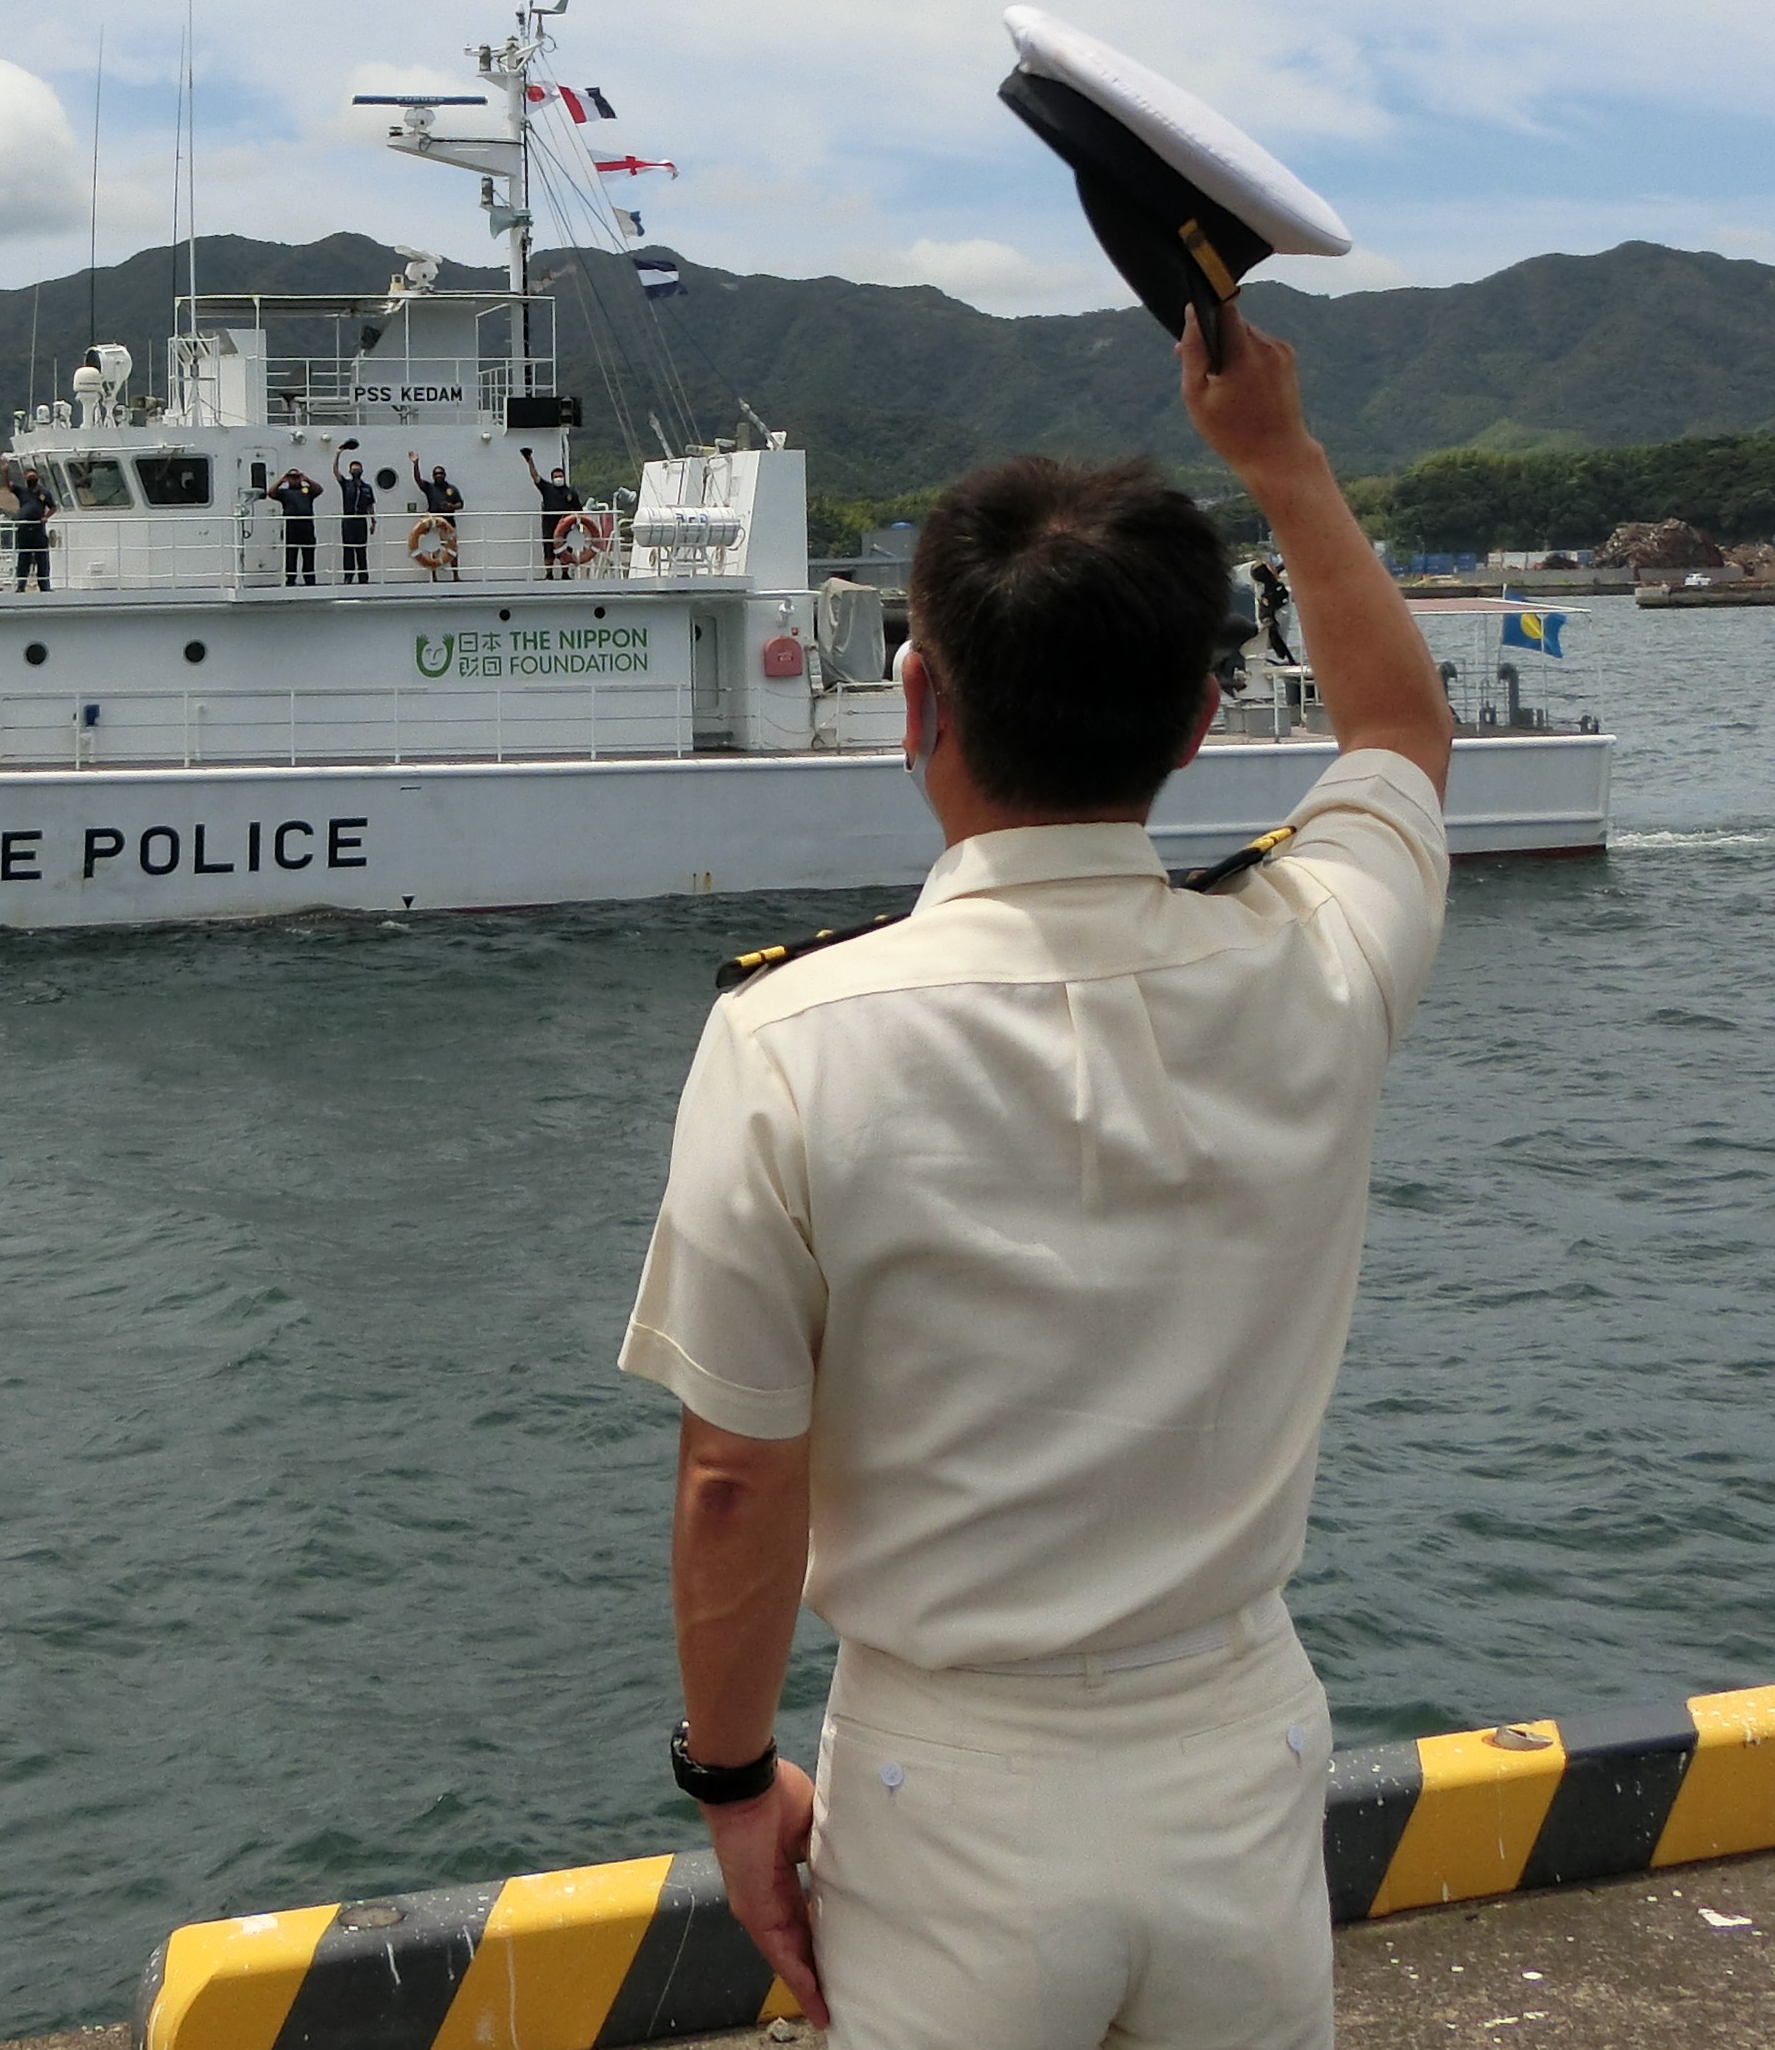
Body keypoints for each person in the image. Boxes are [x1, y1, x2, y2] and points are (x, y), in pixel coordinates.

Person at [620, 303, 1455, 2046]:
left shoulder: (791, 1037)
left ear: (915, 690)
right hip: (1239, 1742)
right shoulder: (1314, 960)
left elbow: (732, 1477)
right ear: (1205, 713)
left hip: (954, 1782)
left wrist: (729, 1774)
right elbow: (1395, 732)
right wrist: (1281, 457)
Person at [522, 442, 579, 577]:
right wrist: (530, 461)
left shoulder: (570, 492)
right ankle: (549, 573)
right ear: (552, 478)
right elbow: (535, 477)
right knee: (548, 549)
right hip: (549, 524)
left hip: (565, 524)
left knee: (565, 548)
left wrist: (577, 523)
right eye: (555, 477)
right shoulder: (547, 488)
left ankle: (565, 573)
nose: (558, 478)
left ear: (563, 477)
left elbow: (578, 509)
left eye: (560, 476)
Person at [267, 465, 324, 587]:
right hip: (291, 526)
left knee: (308, 555)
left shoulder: (307, 491)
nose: (294, 479)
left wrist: (306, 479)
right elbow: (270, 493)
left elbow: (319, 490)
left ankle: (309, 580)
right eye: (292, 477)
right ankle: (290, 580)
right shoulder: (284, 493)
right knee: (291, 555)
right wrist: (281, 480)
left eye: (296, 477)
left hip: (306, 526)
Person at [336, 448, 379, 586]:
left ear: (362, 471)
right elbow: (335, 472)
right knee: (348, 550)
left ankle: (363, 578)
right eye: (354, 470)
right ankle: (348, 577)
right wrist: (338, 454)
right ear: (350, 471)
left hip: (361, 521)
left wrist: (373, 521)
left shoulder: (367, 488)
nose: (356, 472)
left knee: (361, 550)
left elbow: (370, 506)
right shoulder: (346, 484)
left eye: (358, 470)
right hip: (348, 520)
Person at [418, 461, 466, 580]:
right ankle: (434, 576)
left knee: (452, 550)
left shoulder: (451, 489)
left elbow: (460, 504)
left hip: (449, 524)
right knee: (434, 550)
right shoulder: (430, 488)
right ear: (433, 476)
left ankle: (455, 575)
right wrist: (415, 464)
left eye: (440, 473)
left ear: (444, 475)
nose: (438, 475)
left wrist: (451, 506)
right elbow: (418, 480)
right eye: (436, 473)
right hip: (435, 525)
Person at [13, 465, 54, 592]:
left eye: (33, 476)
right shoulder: (22, 491)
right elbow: (8, 486)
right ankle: (21, 585)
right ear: (25, 478)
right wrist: (5, 471)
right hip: (24, 529)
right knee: (23, 558)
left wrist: (46, 517)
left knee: (42, 558)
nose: (31, 479)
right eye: (29, 477)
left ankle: (44, 585)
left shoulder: (44, 492)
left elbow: (53, 507)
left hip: (38, 529)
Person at [1253, 552, 1297, 667]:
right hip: (1276, 624)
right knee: (1277, 639)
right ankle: (1284, 658)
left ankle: (1284, 657)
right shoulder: (1272, 590)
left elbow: (1279, 569)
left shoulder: (1267, 587)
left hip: (1274, 622)